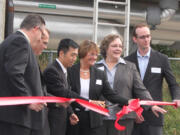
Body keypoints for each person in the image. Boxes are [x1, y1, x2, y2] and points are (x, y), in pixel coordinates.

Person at [95, 34, 167, 135]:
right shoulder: (95, 67)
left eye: (120, 46)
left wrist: (151, 105)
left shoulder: (130, 67)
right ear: (106, 48)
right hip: (99, 117)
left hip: (123, 118)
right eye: (114, 46)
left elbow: (140, 90)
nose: (118, 49)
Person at [66, 40, 138, 135]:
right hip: (74, 117)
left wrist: (128, 102)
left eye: (96, 55)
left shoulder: (99, 74)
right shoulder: (70, 71)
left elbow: (110, 94)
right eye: (92, 54)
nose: (95, 58)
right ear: (83, 53)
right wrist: (70, 113)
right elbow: (66, 94)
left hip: (94, 120)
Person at [125, 23, 180, 135]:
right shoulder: (127, 61)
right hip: (134, 115)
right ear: (135, 39)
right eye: (142, 37)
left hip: (155, 115)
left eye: (148, 36)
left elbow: (173, 84)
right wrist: (132, 111)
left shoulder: (162, 59)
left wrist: (176, 97)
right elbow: (125, 88)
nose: (146, 39)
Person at [0, 14, 48, 135]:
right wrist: (27, 99)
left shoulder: (11, 40)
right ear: (36, 29)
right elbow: (14, 73)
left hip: (13, 118)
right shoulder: (20, 41)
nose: (40, 39)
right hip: (16, 118)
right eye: (41, 35)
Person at [43, 39, 81, 135]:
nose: (74, 58)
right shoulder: (52, 70)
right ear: (61, 53)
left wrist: (70, 112)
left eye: (76, 55)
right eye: (72, 55)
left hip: (61, 121)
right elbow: (64, 93)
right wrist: (87, 101)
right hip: (52, 122)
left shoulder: (64, 70)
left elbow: (64, 98)